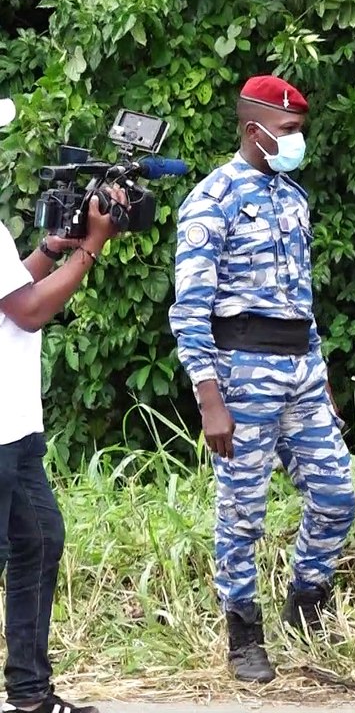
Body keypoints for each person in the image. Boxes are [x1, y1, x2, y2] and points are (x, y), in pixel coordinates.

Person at [167, 75, 355, 684]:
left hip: (300, 367)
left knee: (335, 497)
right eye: (289, 131)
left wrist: (319, 367)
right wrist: (208, 397)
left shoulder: (294, 198)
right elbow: (189, 310)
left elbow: (302, 296)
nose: (298, 140)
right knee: (242, 512)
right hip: (240, 372)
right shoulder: (210, 200)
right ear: (254, 130)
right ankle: (243, 631)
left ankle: (307, 603)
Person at [0, 95, 128, 713]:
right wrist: (90, 247)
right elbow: (27, 310)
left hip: (14, 428)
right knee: (25, 546)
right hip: (0, 429)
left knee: (41, 540)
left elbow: (11, 286)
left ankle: (28, 694)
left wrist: (51, 248)